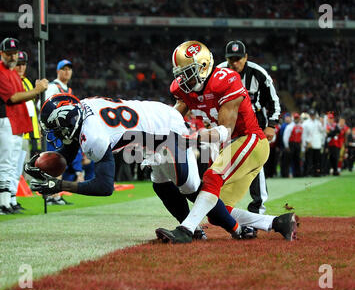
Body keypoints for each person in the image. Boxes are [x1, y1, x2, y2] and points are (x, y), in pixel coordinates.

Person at [25, 93, 297, 242]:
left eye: (57, 128)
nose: (57, 135)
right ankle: (270, 223)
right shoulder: (83, 109)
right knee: (161, 184)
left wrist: (59, 185)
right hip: (150, 131)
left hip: (166, 132)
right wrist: (41, 164)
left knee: (193, 192)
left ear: (68, 118)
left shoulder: (93, 134)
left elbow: (105, 187)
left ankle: (238, 229)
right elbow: (67, 148)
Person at [154, 40, 298, 243]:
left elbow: (225, 130)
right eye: (180, 73)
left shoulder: (225, 79)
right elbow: (171, 119)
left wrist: (195, 138)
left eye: (188, 72)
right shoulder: (185, 89)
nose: (183, 78)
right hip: (231, 144)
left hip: (249, 139)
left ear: (203, 67)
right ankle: (277, 222)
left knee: (212, 178)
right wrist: (153, 136)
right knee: (217, 211)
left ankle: (186, 230)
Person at [218, 40, 281, 220]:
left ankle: (258, 209)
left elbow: (274, 101)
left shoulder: (258, 73)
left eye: (238, 59)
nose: (235, 63)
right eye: (231, 59)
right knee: (222, 165)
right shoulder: (219, 73)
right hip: (228, 127)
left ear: (246, 57)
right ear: (226, 59)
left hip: (254, 127)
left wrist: (271, 125)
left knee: (255, 165)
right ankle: (220, 206)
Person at [0, 37, 48, 215]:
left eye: (14, 54)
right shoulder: (2, 71)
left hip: (16, 122)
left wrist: (35, 92)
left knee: (12, 164)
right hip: (5, 120)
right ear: (2, 54)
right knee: (5, 164)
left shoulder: (13, 73)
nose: (12, 57)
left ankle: (8, 201)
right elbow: (12, 98)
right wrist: (36, 91)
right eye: (9, 54)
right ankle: (3, 203)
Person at [41, 59, 77, 205]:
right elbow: (42, 104)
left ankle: (55, 194)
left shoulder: (68, 90)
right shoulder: (53, 87)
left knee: (59, 163)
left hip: (65, 132)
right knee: (52, 163)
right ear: (58, 71)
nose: (67, 71)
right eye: (64, 69)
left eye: (69, 69)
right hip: (55, 132)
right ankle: (50, 195)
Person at [301, 109, 325, 177]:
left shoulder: (318, 123)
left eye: (313, 115)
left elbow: (322, 131)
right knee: (309, 159)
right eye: (311, 115)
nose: (312, 116)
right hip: (309, 143)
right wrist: (305, 143)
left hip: (317, 143)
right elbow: (304, 135)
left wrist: (323, 123)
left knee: (317, 159)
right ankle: (308, 172)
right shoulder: (305, 123)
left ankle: (316, 172)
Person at [282, 113, 303, 177]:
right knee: (288, 160)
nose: (296, 119)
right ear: (294, 118)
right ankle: (286, 174)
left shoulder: (301, 126)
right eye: (295, 118)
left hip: (297, 144)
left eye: (297, 118)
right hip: (291, 144)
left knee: (297, 160)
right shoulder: (290, 126)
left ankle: (297, 174)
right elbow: (285, 137)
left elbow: (302, 136)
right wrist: (286, 146)